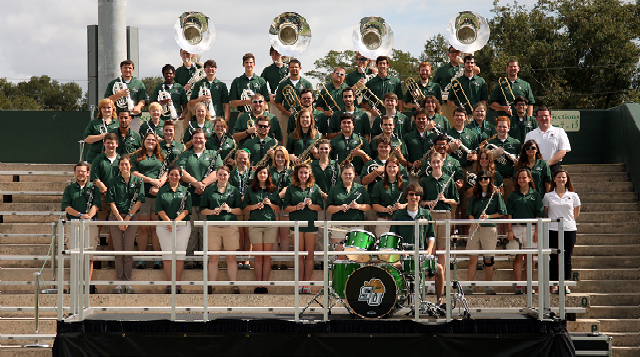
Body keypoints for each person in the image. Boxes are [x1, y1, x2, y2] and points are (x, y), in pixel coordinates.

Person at [175, 128, 223, 269]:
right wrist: (195, 183)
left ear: (205, 140)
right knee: (190, 232)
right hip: (189, 199)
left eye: (201, 138)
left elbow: (217, 172)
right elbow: (181, 172)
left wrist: (203, 184)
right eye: (195, 138)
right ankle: (189, 259)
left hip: (207, 201)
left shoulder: (214, 154)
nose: (198, 140)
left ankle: (203, 260)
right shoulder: (185, 155)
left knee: (204, 232)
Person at [390, 183, 445, 302]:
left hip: (422, 256)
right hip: (405, 257)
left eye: (417, 194)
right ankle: (396, 302)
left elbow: (431, 235)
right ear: (406, 196)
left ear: (420, 197)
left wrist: (429, 250)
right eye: (411, 194)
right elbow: (393, 236)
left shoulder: (426, 214)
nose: (414, 197)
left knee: (439, 269)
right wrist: (402, 251)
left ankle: (440, 303)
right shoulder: (398, 214)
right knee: (392, 268)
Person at [200, 165, 243, 294]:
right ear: (216, 176)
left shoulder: (234, 190)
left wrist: (229, 210)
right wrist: (213, 211)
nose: (222, 177)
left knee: (231, 258)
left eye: (225, 174)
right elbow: (202, 209)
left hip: (230, 227)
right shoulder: (209, 190)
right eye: (220, 174)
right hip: (213, 227)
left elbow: (240, 211)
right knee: (213, 258)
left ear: (229, 175)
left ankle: (234, 285)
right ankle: (210, 285)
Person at [464, 171, 506, 295]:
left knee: (488, 259)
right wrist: (473, 222)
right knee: (473, 259)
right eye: (481, 178)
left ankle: (489, 286)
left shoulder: (495, 194)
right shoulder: (474, 194)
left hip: (489, 228)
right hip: (476, 228)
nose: (483, 180)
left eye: (486, 178)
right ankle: (468, 286)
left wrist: (488, 217)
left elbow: (502, 211)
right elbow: (469, 212)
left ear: (490, 179)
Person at [106, 154, 144, 294]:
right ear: (118, 166)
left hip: (131, 217)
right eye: (121, 164)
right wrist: (118, 218)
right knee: (118, 251)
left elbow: (139, 201)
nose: (124, 166)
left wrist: (128, 217)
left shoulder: (138, 181)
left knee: (128, 251)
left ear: (130, 165)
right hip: (116, 217)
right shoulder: (113, 181)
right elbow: (111, 201)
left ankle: (127, 282)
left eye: (126, 164)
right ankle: (118, 282)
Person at [284, 163, 324, 294]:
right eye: (301, 173)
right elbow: (285, 207)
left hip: (311, 224)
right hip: (296, 224)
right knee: (299, 255)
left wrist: (312, 206)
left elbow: (320, 207)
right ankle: (299, 283)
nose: (303, 175)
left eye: (306, 173)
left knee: (309, 254)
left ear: (309, 174)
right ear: (297, 174)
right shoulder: (291, 188)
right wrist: (296, 207)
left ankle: (307, 284)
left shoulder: (315, 187)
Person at [61, 162, 101, 294]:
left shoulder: (94, 188)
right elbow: (66, 207)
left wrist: (88, 216)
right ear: (75, 173)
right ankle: (76, 285)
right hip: (73, 223)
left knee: (89, 256)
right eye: (78, 171)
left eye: (83, 171)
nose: (80, 173)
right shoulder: (69, 189)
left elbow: (95, 205)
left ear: (88, 173)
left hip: (89, 223)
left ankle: (87, 285)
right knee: (75, 255)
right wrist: (80, 215)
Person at [506, 168, 546, 294]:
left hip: (532, 228)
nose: (522, 180)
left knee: (530, 258)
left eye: (524, 178)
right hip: (516, 228)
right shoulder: (512, 195)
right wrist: (509, 230)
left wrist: (537, 232)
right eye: (519, 178)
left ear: (530, 179)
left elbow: (539, 214)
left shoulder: (536, 195)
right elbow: (509, 214)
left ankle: (529, 286)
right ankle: (518, 286)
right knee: (518, 258)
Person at [243, 165, 281, 294]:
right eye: (260, 173)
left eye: (264, 173)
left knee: (267, 256)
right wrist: (254, 206)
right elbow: (244, 207)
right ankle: (258, 284)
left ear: (268, 175)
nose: (262, 175)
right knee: (258, 256)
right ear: (256, 175)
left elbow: (279, 209)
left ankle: (265, 284)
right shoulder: (250, 189)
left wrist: (270, 204)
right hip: (255, 224)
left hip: (270, 225)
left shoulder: (273, 189)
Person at [131, 132, 167, 270]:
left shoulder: (161, 155)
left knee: (156, 229)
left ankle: (157, 259)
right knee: (144, 228)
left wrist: (159, 183)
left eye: (153, 140)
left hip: (158, 197)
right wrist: (151, 180)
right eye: (148, 139)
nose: (151, 142)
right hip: (142, 196)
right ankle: (141, 258)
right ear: (143, 141)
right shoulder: (137, 155)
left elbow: (166, 173)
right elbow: (134, 173)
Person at [155, 165, 192, 294]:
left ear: (180, 176)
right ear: (168, 176)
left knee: (180, 256)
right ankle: (169, 285)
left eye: (176, 175)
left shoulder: (186, 190)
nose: (174, 177)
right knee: (168, 256)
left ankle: (178, 284)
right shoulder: (162, 190)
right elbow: (159, 209)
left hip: (181, 226)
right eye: (171, 174)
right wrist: (168, 221)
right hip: (164, 226)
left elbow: (187, 209)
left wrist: (176, 221)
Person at [543, 169, 581, 294]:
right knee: (553, 257)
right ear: (554, 179)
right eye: (558, 177)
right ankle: (554, 285)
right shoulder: (548, 196)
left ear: (567, 179)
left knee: (567, 258)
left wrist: (567, 222)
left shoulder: (573, 195)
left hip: (569, 229)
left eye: (563, 177)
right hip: (552, 229)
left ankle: (564, 284)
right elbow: (546, 212)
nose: (561, 180)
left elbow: (576, 212)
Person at [419, 151, 459, 268]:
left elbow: (456, 200)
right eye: (433, 162)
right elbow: (419, 201)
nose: (436, 164)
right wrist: (428, 203)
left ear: (442, 162)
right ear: (430, 163)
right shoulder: (425, 181)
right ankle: (432, 280)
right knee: (431, 247)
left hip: (445, 215)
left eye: (438, 162)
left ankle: (441, 277)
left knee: (443, 248)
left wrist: (445, 199)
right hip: (430, 215)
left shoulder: (448, 179)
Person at [326, 163, 371, 249]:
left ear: (354, 175)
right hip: (338, 227)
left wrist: (358, 206)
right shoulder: (334, 189)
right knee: (340, 256)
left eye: (350, 174)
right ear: (341, 175)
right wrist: (340, 207)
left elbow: (368, 207)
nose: (347, 176)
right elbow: (328, 208)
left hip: (356, 226)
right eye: (345, 174)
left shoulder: (361, 188)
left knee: (354, 256)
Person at [90, 133, 121, 254]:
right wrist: (102, 187)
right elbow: (94, 177)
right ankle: (94, 254)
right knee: (98, 226)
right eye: (108, 143)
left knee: (114, 228)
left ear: (117, 144)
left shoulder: (120, 160)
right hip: (101, 197)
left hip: (117, 199)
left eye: (112, 143)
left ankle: (112, 257)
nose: (110, 145)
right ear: (104, 144)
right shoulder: (98, 159)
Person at [432, 46, 479, 121]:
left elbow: (477, 71)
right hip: (447, 105)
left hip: (464, 105)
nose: (454, 54)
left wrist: (462, 62)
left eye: (457, 52)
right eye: (452, 52)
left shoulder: (466, 66)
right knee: (446, 128)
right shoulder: (441, 69)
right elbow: (433, 86)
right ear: (448, 54)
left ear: (461, 53)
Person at [310, 139, 340, 245]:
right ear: (317, 150)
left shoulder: (336, 165)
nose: (323, 151)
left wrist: (331, 196)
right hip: (318, 200)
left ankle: (331, 258)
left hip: (332, 200)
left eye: (326, 148)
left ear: (330, 149)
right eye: (321, 148)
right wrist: (323, 194)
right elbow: (311, 183)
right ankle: (320, 258)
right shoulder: (312, 165)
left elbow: (339, 183)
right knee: (320, 230)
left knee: (332, 229)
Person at [525, 106, 571, 172]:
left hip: (554, 167)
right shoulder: (530, 135)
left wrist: (547, 163)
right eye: (540, 116)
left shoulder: (560, 131)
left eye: (546, 116)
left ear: (550, 117)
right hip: (535, 168)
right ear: (536, 118)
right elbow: (527, 153)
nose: (543, 118)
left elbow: (562, 151)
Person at [229, 149, 253, 269]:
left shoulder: (252, 174)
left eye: (245, 158)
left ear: (248, 160)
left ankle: (247, 260)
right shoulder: (232, 175)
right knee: (239, 234)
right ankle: (239, 259)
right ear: (236, 160)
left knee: (248, 235)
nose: (242, 160)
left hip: (249, 207)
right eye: (240, 158)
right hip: (236, 207)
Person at [329, 113, 371, 181]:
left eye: (349, 122)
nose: (346, 125)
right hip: (339, 177)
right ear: (340, 125)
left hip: (357, 177)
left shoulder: (362, 141)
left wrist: (363, 155)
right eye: (344, 123)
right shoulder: (333, 141)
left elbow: (369, 163)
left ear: (353, 125)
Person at [486, 116, 521, 199]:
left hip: (510, 180)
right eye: (500, 127)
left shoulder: (515, 142)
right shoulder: (490, 143)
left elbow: (522, 161)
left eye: (504, 127)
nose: (502, 129)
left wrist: (518, 162)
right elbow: (483, 161)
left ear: (508, 128)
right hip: (494, 180)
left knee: (509, 206)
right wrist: (493, 156)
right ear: (496, 128)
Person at [371, 158, 406, 237]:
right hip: (384, 221)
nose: (392, 169)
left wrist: (402, 206)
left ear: (398, 168)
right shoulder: (379, 185)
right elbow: (374, 205)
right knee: (383, 248)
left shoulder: (406, 184)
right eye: (389, 166)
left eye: (394, 166)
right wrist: (385, 209)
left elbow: (412, 203)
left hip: (401, 221)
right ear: (385, 168)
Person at [270, 146, 292, 270]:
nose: (280, 159)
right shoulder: (270, 171)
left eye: (282, 156)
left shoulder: (290, 172)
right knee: (274, 235)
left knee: (284, 235)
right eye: (277, 156)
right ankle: (274, 261)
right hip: (273, 205)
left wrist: (280, 194)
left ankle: (283, 261)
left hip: (285, 205)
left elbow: (289, 189)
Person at [174, 49, 203, 141]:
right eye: (183, 53)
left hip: (196, 101)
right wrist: (183, 88)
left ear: (192, 54)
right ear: (180, 55)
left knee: (200, 121)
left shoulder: (198, 69)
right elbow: (174, 90)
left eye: (187, 53)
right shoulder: (177, 72)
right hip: (184, 103)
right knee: (184, 127)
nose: (185, 55)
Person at [403, 108, 437, 182]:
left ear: (427, 120)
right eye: (418, 119)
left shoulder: (434, 136)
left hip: (430, 173)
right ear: (414, 121)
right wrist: (412, 165)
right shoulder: (407, 137)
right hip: (413, 173)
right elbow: (403, 158)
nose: (421, 121)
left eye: (423, 119)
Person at [83, 99, 118, 164]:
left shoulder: (117, 123)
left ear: (113, 109)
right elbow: (86, 138)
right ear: (100, 109)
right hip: (94, 158)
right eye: (104, 107)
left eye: (109, 107)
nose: (106, 110)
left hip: (113, 159)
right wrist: (102, 136)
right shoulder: (94, 123)